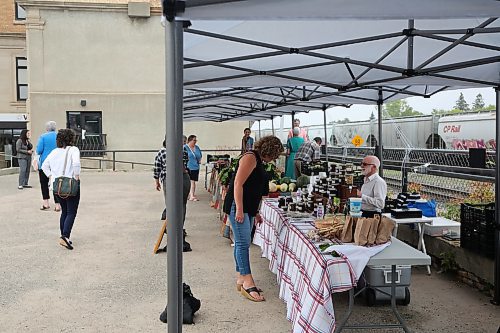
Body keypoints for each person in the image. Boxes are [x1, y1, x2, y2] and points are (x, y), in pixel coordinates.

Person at [223, 136, 284, 302]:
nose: (275, 158)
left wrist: (255, 212)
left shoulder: (258, 160)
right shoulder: (250, 157)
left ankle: (241, 277)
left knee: (242, 242)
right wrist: (240, 210)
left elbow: (254, 187)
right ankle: (248, 282)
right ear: (269, 150)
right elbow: (238, 184)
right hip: (239, 206)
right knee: (243, 243)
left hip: (248, 207)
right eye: (275, 154)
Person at [41, 129, 81, 250]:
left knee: (64, 211)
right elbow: (76, 163)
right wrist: (77, 176)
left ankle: (63, 236)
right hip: (69, 184)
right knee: (71, 212)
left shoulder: (54, 152)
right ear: (71, 139)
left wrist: (51, 176)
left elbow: (44, 166)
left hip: (56, 186)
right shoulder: (73, 149)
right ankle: (65, 236)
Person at [153, 139, 191, 251]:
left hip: (169, 179)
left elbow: (157, 167)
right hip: (184, 178)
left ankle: (172, 231)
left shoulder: (162, 151)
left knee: (170, 206)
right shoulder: (183, 149)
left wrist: (156, 181)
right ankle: (179, 229)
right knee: (182, 205)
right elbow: (186, 162)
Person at [36, 121, 61, 211]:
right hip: (57, 163)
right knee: (56, 183)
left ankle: (46, 203)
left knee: (44, 183)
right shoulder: (58, 136)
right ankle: (58, 204)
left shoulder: (43, 137)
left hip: (44, 163)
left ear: (47, 128)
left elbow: (39, 150)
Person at [184, 135, 202, 201]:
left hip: (195, 167)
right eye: (194, 140)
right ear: (190, 140)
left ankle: (192, 194)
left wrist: (199, 160)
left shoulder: (197, 148)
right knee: (190, 181)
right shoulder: (185, 147)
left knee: (193, 181)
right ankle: (190, 195)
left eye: (196, 140)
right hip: (187, 167)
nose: (195, 142)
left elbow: (200, 155)